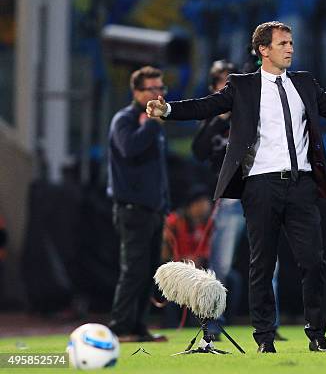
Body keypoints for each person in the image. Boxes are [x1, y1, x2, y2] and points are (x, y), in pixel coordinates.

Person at [146, 21, 326, 353]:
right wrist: (168, 110)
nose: (290, 48)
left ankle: (317, 335)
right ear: (263, 50)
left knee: (313, 261)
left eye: (291, 43)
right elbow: (205, 106)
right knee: (261, 265)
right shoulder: (242, 86)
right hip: (260, 186)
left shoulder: (305, 83)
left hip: (301, 185)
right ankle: (264, 338)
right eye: (282, 43)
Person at [192, 59, 287, 341]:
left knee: (269, 265)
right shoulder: (210, 116)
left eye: (232, 80)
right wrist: (220, 117)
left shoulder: (252, 111)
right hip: (230, 201)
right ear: (213, 87)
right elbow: (198, 151)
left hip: (259, 196)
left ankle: (269, 325)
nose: (229, 85)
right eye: (223, 81)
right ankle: (212, 323)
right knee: (220, 267)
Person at [107, 66, 170, 342]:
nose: (158, 93)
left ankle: (138, 327)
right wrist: (150, 126)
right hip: (132, 209)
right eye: (152, 89)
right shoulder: (125, 119)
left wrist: (164, 205)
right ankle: (120, 327)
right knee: (133, 270)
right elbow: (128, 148)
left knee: (149, 272)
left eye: (161, 88)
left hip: (153, 209)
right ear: (136, 92)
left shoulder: (153, 122)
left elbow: (158, 172)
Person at [161, 185, 213, 328]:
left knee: (232, 279)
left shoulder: (210, 224)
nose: (204, 206)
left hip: (200, 270)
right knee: (171, 283)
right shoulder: (173, 221)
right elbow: (164, 253)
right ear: (191, 205)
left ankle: (205, 323)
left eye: (206, 202)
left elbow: (209, 253)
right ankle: (170, 325)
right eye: (200, 203)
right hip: (175, 269)